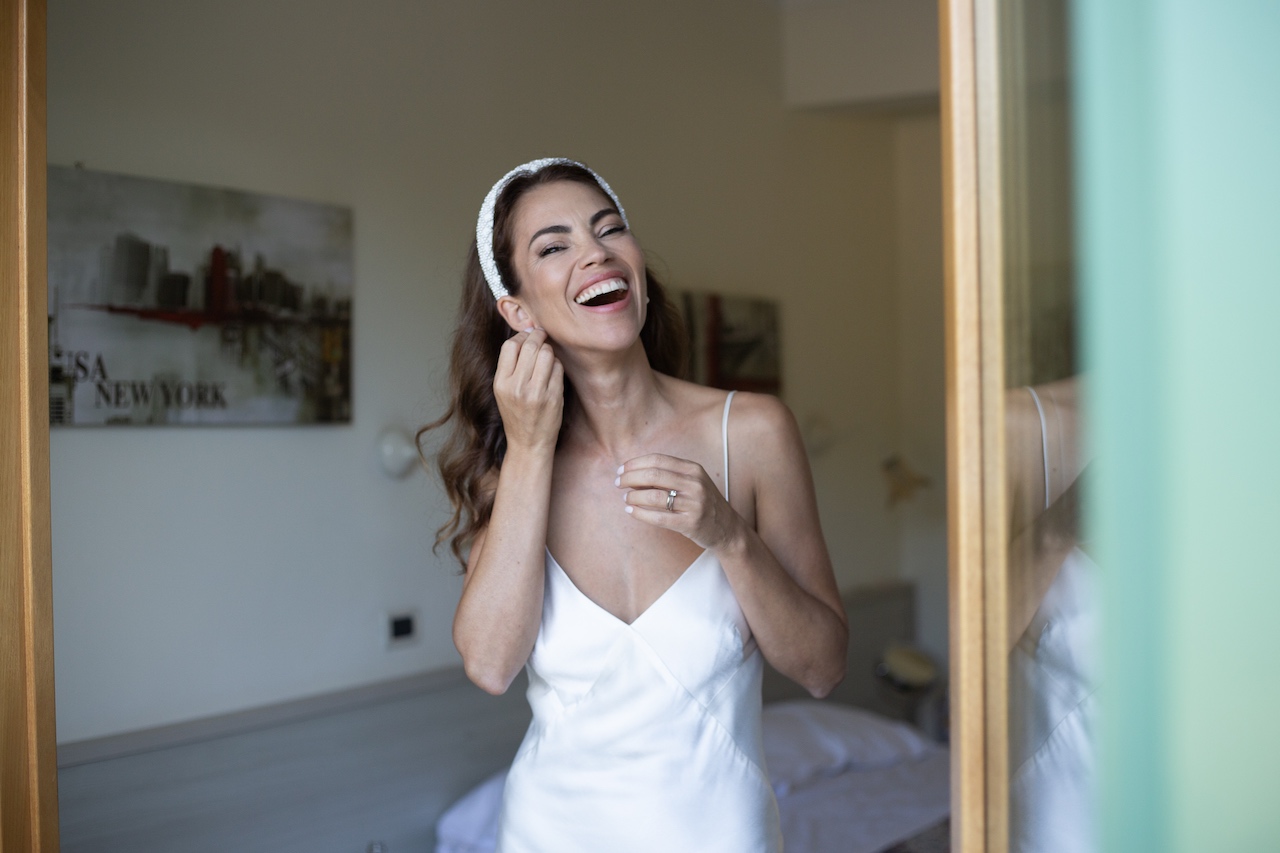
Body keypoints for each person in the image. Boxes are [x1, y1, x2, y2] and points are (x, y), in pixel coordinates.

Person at [422, 158, 848, 853]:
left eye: (609, 228)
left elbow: (823, 668)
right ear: (519, 312)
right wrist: (529, 450)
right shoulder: (514, 474)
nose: (595, 253)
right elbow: (491, 666)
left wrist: (730, 536)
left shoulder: (754, 433)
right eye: (554, 246)